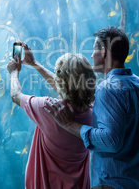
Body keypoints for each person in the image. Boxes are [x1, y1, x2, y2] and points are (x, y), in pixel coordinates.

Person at [44, 27, 139, 189]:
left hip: (111, 184)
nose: (91, 56)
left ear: (104, 52)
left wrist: (70, 125)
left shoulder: (108, 89)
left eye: (94, 50)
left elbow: (110, 141)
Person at [7, 42, 96, 189]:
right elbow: (71, 88)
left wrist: (14, 72)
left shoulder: (49, 109)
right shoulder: (93, 111)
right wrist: (35, 64)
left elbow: (15, 95)